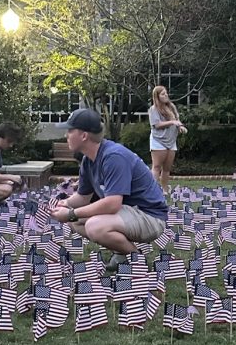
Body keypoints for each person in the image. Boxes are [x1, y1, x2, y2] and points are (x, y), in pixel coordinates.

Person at [48, 108, 167, 271]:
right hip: (128, 212)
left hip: (149, 216)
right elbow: (82, 197)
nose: (66, 135)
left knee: (94, 226)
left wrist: (70, 213)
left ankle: (136, 259)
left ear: (84, 135)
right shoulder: (88, 160)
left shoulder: (113, 157)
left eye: (70, 130)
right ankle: (121, 253)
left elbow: (112, 204)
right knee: (74, 221)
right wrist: (64, 203)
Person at [148, 85, 187, 192]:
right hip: (158, 140)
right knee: (156, 167)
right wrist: (172, 122)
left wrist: (180, 127)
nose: (166, 95)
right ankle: (152, 191)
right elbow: (157, 125)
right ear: (157, 96)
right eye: (163, 94)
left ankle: (165, 190)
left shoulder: (172, 107)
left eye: (166, 93)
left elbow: (177, 120)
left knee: (167, 168)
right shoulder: (153, 109)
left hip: (171, 140)